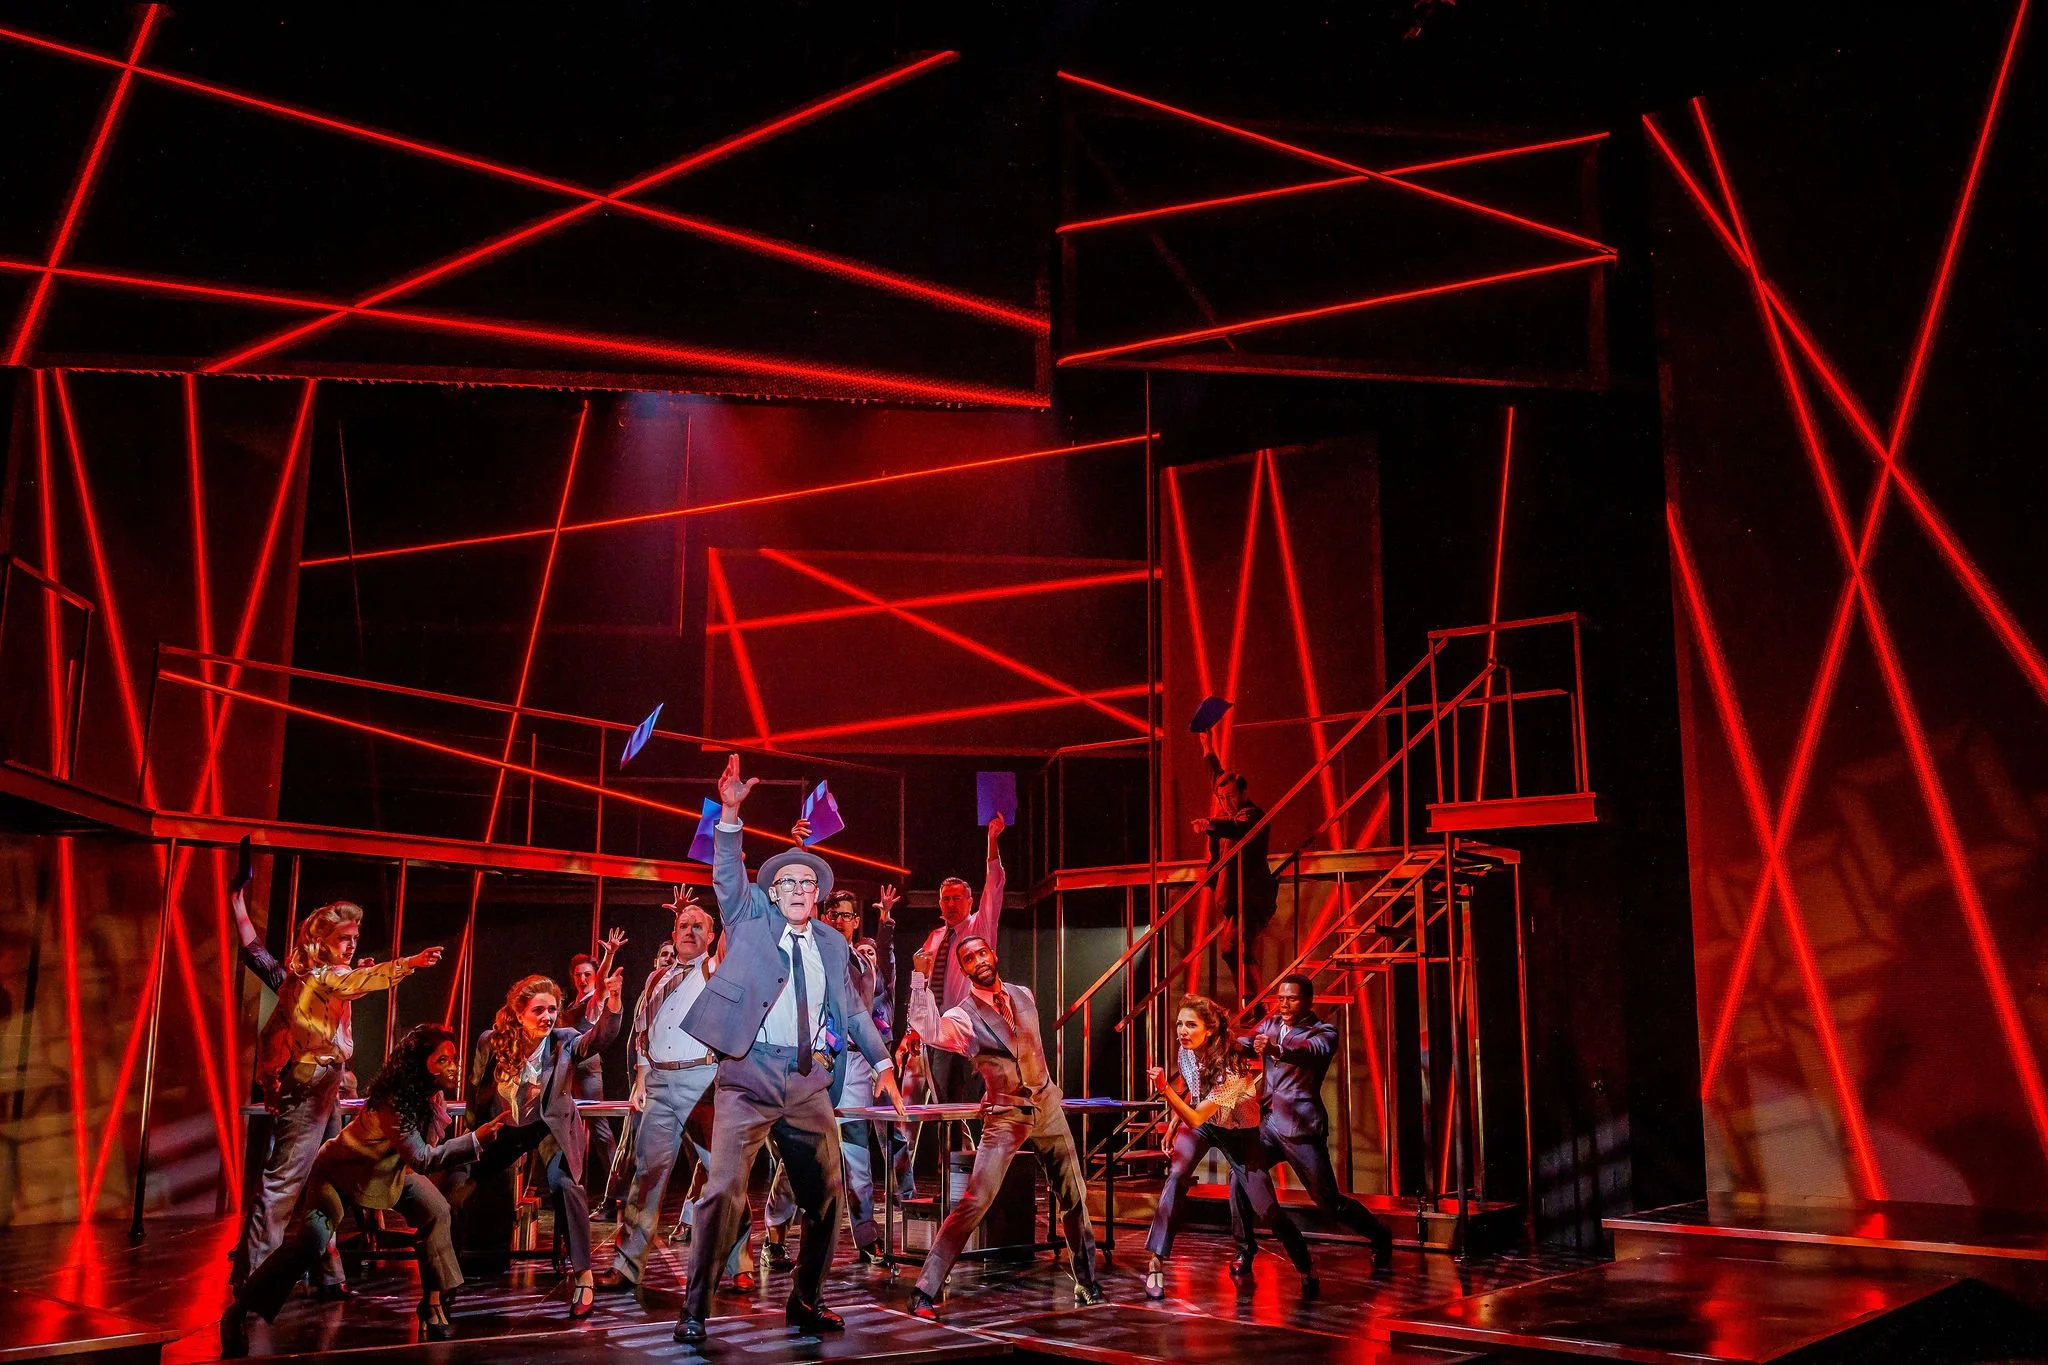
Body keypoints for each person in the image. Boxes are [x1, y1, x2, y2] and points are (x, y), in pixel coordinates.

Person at [673, 753, 904, 1347]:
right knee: (723, 1191)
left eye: (809, 883)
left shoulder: (830, 941)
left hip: (807, 1083)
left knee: (826, 1196)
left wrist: (882, 1064)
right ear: (771, 893)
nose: (800, 889)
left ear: (819, 896)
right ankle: (694, 1307)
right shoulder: (748, 916)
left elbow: (851, 1009)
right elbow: (728, 870)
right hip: (748, 1077)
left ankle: (806, 1299)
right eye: (788, 883)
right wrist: (729, 811)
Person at [221, 1025, 508, 1355]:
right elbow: (423, 1157)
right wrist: (476, 1139)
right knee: (310, 1244)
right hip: (341, 1173)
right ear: (421, 1063)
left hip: (386, 1171)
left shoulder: (429, 1095)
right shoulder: (395, 1101)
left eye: (453, 1058)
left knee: (437, 1211)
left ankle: (432, 1302)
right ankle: (238, 1312)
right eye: (442, 1059)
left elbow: (417, 1153)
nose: (452, 1066)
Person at [231, 865, 442, 1297]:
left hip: (325, 1083)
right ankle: (252, 1276)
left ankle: (327, 1275)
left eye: (353, 939)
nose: (351, 946)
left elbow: (279, 1024)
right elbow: (351, 982)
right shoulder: (320, 977)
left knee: (324, 1179)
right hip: (313, 1084)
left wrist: (270, 1079)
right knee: (286, 1182)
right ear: (320, 942)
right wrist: (410, 963)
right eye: (344, 939)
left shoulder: (303, 980)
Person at [904, 933, 1101, 1320]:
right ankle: (924, 1289)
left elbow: (1029, 1048)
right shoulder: (963, 1016)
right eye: (969, 958)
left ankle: (1087, 1279)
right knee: (975, 1201)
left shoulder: (1022, 993)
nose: (978, 960)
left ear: (992, 954)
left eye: (982, 952)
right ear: (963, 969)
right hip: (1006, 1114)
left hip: (1047, 1106)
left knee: (1073, 1195)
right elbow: (928, 1030)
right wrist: (919, 978)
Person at [454, 970, 621, 1317]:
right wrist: (472, 1138)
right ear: (519, 1012)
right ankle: (448, 1275)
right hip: (506, 1128)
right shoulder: (491, 1041)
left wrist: (614, 1003)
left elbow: (599, 1039)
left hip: (549, 1129)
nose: (547, 1017)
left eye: (552, 1009)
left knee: (566, 1187)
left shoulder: (564, 1040)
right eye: (539, 1010)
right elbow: (476, 1091)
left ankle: (584, 1276)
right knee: (460, 1186)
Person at [1143, 994, 1315, 1300]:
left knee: (1267, 1209)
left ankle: (1305, 1266)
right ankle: (1156, 1261)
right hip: (1205, 1124)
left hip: (1239, 1134)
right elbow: (1193, 1093)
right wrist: (1172, 1123)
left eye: (1190, 1025)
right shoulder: (1186, 1052)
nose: (1182, 1031)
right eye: (1179, 1024)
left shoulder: (1232, 1070)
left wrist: (1165, 1091)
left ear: (1209, 1030)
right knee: (1177, 1176)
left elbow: (1195, 1117)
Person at [595, 889, 722, 1292]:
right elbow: (644, 1031)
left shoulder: (715, 968)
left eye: (698, 926)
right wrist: (641, 1079)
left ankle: (739, 1264)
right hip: (661, 1083)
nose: (690, 931)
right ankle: (628, 1264)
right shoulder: (657, 976)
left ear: (712, 935)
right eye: (684, 926)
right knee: (647, 1176)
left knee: (721, 1178)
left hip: (703, 1083)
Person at [1228, 974, 1394, 1273]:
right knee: (1240, 1175)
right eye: (1280, 998)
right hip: (1270, 1124)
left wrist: (1276, 1049)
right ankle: (1244, 1251)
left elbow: (1307, 1053)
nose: (1284, 1004)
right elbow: (1248, 1042)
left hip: (1301, 1128)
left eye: (1291, 998)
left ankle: (1380, 1236)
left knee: (1328, 1201)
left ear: (1307, 1001)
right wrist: (1223, 1039)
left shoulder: (1324, 1031)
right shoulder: (1269, 1025)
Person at [911, 812, 1006, 1107]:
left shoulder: (980, 926)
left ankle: (993, 1151)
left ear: (969, 901)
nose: (951, 904)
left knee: (990, 1100)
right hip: (944, 1028)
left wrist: (991, 841)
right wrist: (915, 1028)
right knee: (944, 1104)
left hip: (979, 1025)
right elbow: (920, 984)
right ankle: (950, 1152)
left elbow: (995, 883)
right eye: (946, 899)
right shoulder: (935, 938)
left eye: (956, 898)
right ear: (939, 903)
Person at [1194, 736, 1277, 1000]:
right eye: (1222, 798)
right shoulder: (1226, 814)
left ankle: (1256, 1000)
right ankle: (1252, 999)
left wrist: (1210, 824)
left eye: (1231, 797)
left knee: (1234, 947)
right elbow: (1217, 776)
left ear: (1244, 793)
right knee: (1232, 950)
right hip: (1232, 899)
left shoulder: (1251, 815)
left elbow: (1239, 829)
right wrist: (1208, 749)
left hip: (1252, 898)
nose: (1226, 803)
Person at [566, 927, 628, 1210]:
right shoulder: (573, 1002)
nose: (582, 979)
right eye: (578, 975)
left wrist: (609, 955)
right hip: (568, 1072)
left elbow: (602, 984)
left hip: (588, 1071)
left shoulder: (594, 1000)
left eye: (587, 974)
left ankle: (618, 1194)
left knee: (601, 1132)